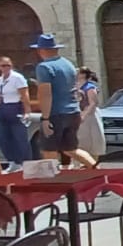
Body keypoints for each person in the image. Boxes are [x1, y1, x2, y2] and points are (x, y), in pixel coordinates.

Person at [28, 33, 94, 168]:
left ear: (41, 50)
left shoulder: (44, 67)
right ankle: (96, 168)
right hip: (72, 112)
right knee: (70, 149)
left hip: (55, 113)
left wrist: (45, 118)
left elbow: (46, 94)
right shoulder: (68, 64)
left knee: (49, 150)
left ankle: (54, 183)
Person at [0, 55, 32, 167]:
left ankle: (25, 163)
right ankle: (12, 161)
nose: (6, 68)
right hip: (4, 107)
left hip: (16, 106)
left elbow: (24, 94)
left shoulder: (17, 78)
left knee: (20, 138)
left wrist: (27, 111)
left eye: (8, 65)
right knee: (1, 137)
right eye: (3, 65)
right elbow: (0, 95)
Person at [77, 68, 108, 161]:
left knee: (92, 139)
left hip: (90, 116)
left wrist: (84, 115)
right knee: (81, 140)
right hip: (80, 114)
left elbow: (93, 103)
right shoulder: (77, 86)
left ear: (83, 75)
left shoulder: (89, 87)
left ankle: (93, 161)